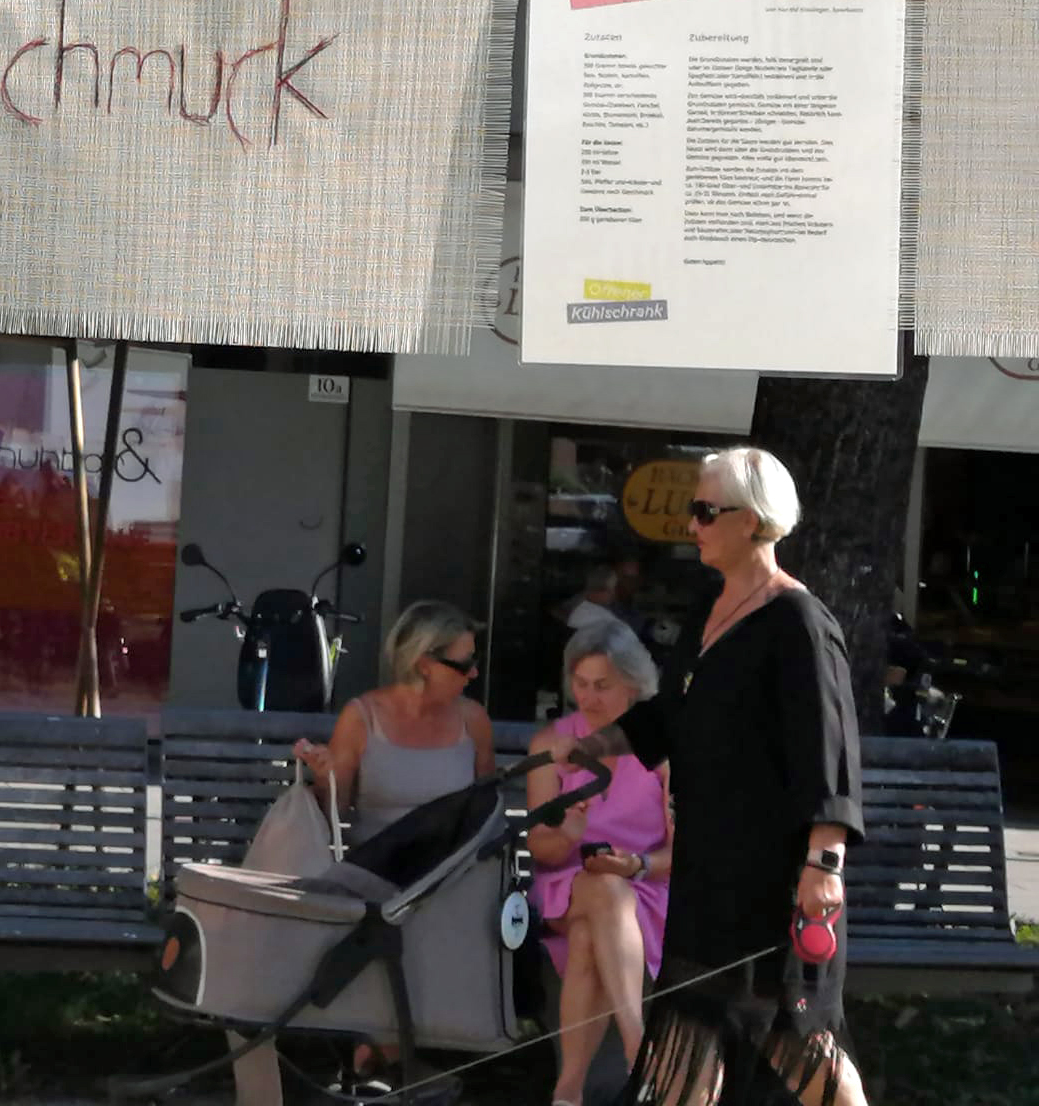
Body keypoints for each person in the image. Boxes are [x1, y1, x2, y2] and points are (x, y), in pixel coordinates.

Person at [545, 447, 865, 1106]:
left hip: (775, 882)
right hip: (707, 876)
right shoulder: (710, 611)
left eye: (704, 511)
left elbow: (828, 753)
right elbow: (671, 714)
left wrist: (824, 864)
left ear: (752, 520)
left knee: (801, 1046)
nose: (692, 525)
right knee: (687, 1038)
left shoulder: (799, 623)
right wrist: (596, 744)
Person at [294, 601, 495, 1080]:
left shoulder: (472, 720)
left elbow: (487, 809)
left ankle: (378, 1059)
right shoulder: (363, 717)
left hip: (448, 872)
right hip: (379, 869)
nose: (474, 673)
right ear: (425, 663)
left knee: (435, 909)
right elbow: (336, 811)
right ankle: (389, 1058)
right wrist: (324, 776)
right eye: (464, 663)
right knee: (390, 912)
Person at [528, 621, 673, 1106]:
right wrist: (567, 834)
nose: (588, 698)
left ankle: (568, 1091)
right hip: (563, 887)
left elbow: (682, 854)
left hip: (647, 887)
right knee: (600, 891)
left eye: (602, 686)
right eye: (581, 683)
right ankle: (639, 1048)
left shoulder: (662, 748)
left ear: (633, 684)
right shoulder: (552, 744)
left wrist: (634, 865)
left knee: (591, 929)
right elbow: (541, 849)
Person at [566, 564, 647, 641]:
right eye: (624, 577)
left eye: (633, 579)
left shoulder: (634, 609)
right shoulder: (591, 602)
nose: (628, 583)